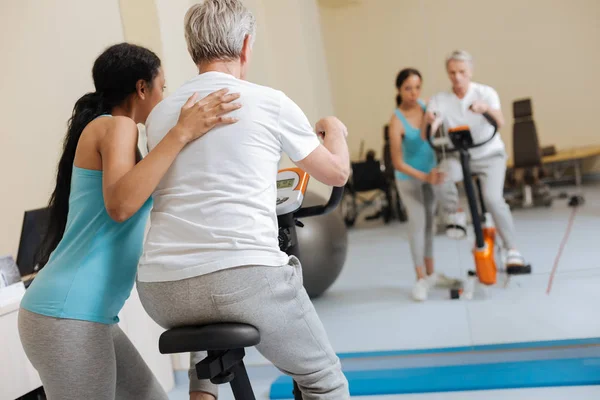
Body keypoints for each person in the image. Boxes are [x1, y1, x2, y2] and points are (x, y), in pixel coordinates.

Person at [135, 1, 351, 399]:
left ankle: (203, 392)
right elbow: (336, 172)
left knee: (208, 323)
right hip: (244, 280)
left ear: (192, 49)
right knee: (324, 379)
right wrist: (334, 130)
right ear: (246, 46)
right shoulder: (270, 102)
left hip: (162, 290)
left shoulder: (161, 115)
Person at [18, 42, 241, 400]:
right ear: (141, 88)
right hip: (67, 315)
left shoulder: (115, 133)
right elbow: (120, 205)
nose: (162, 96)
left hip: (86, 316)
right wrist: (181, 131)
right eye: (161, 87)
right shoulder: (117, 127)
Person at [425, 50, 526, 268]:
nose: (457, 77)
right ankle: (456, 215)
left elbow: (500, 121)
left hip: (490, 154)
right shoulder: (440, 99)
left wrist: (485, 109)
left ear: (470, 71)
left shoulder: (485, 93)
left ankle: (512, 249)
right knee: (441, 178)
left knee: (493, 199)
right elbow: (431, 124)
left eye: (462, 72)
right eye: (452, 72)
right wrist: (431, 122)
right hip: (459, 156)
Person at [388, 68, 456, 301]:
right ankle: (419, 279)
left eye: (417, 87)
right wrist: (425, 177)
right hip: (409, 181)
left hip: (431, 176)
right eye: (408, 88)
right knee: (417, 226)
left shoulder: (428, 106)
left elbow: (447, 105)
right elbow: (397, 163)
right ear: (399, 90)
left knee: (429, 226)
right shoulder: (396, 122)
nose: (413, 92)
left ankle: (431, 274)